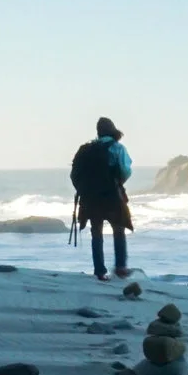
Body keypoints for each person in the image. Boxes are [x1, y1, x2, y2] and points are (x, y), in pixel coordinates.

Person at [70, 117, 134, 280]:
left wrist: (84, 190)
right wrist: (117, 183)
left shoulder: (86, 150)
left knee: (96, 233)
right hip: (111, 196)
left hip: (90, 199)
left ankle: (99, 271)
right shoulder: (117, 148)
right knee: (118, 230)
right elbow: (125, 171)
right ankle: (120, 267)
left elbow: (74, 175)